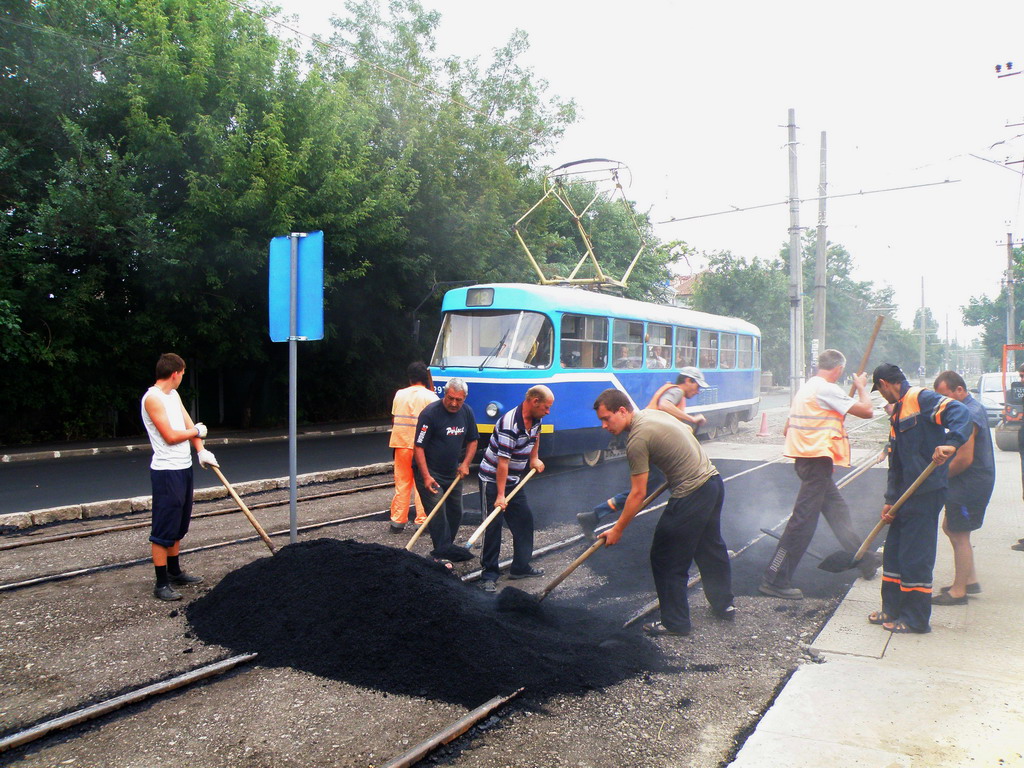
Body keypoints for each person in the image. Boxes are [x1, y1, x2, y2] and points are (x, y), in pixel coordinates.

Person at [593, 388, 734, 636]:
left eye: (607, 418)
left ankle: (675, 623)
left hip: (692, 492)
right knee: (709, 547)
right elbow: (688, 431)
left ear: (623, 411)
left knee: (666, 557)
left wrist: (617, 529)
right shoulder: (652, 414)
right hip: (713, 482)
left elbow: (637, 494)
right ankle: (724, 605)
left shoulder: (636, 439)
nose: (604, 425)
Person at [759, 349, 877, 600]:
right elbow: (868, 411)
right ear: (840, 369)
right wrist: (861, 386)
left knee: (838, 512)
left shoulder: (807, 387)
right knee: (802, 522)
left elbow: (787, 428)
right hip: (815, 463)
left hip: (808, 460)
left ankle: (863, 558)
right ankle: (775, 578)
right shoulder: (827, 389)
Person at [868, 363, 971, 634]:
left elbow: (960, 412)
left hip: (926, 491)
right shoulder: (898, 413)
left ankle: (915, 619)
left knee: (916, 556)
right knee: (894, 554)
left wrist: (952, 442)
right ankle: (892, 607)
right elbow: (897, 462)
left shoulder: (921, 398)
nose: (881, 396)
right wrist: (891, 499)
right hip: (905, 495)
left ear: (883, 384)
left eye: (879, 391)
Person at [577, 367, 709, 540]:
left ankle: (594, 515)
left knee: (646, 488)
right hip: (650, 443)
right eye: (697, 386)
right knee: (672, 488)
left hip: (650, 441)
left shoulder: (671, 390)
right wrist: (692, 419)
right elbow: (664, 406)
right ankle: (698, 530)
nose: (698, 390)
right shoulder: (676, 391)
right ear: (688, 381)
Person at [141, 353, 218, 601]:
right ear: (175, 373)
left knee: (178, 523)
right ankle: (161, 583)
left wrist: (201, 450)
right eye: (183, 374)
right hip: (166, 471)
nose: (182, 378)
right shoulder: (152, 399)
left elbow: (188, 424)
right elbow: (171, 436)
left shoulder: (173, 395)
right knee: (164, 526)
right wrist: (196, 431)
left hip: (183, 467)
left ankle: (175, 572)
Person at [477, 385, 553, 592]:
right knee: (492, 527)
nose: (548, 412)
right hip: (492, 480)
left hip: (513, 479)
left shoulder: (536, 419)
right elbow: (503, 463)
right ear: (535, 401)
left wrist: (534, 458)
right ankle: (489, 575)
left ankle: (520, 567)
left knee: (524, 521)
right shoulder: (510, 424)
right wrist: (500, 496)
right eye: (546, 407)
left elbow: (536, 436)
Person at [931, 371, 994, 603]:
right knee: (952, 527)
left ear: (960, 390)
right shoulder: (969, 407)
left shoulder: (968, 413)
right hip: (972, 479)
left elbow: (964, 459)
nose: (943, 404)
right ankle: (970, 580)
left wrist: (939, 478)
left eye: (946, 397)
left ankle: (959, 592)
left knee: (959, 533)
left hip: (971, 481)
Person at [413, 378, 479, 558]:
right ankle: (441, 555)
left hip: (453, 472)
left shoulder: (466, 412)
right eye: (450, 398)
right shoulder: (430, 414)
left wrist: (465, 464)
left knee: (455, 512)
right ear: (445, 394)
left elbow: (473, 440)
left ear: (464, 397)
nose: (453, 403)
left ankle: (446, 548)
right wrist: (426, 476)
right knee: (438, 514)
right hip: (430, 472)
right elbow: (419, 446)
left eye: (458, 399)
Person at [388, 362, 439, 533]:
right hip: (421, 448)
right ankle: (422, 522)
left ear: (409, 377)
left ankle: (397, 522)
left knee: (402, 483)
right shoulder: (431, 397)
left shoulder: (399, 394)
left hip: (401, 444)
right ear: (426, 377)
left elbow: (394, 420)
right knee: (422, 484)